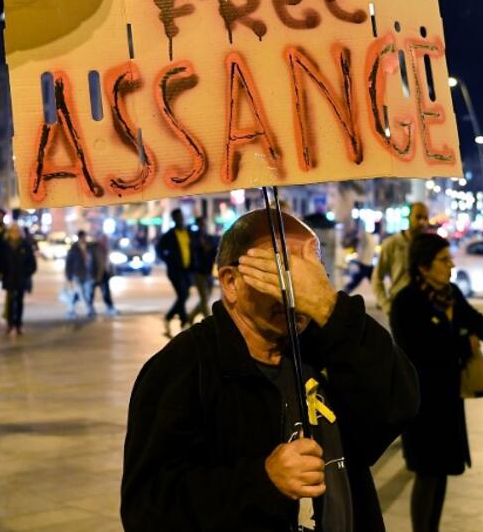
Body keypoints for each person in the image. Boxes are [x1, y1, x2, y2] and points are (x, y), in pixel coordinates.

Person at [121, 208, 419, 531]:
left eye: (310, 274)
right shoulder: (182, 368)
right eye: (278, 273)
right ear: (231, 282)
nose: (295, 292)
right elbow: (147, 510)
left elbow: (398, 405)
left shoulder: (324, 347)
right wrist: (263, 480)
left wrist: (329, 308)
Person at [390, 232, 483, 532]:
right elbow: (419, 351)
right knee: (427, 474)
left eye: (450, 258)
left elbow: (482, 326)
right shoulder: (406, 302)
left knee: (440, 474)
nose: (451, 265)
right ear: (423, 267)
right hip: (420, 404)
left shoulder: (451, 295)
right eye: (443, 260)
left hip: (448, 400)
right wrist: (464, 345)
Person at [374, 203, 430, 313]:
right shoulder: (391, 244)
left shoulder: (429, 245)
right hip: (400, 308)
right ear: (408, 217)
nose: (422, 222)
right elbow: (376, 278)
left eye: (425, 218)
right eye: (418, 217)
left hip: (425, 308)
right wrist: (386, 305)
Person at [156, 209, 195, 337]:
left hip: (187, 270)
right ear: (174, 219)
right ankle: (183, 322)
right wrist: (168, 260)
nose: (180, 219)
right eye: (177, 217)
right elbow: (159, 249)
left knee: (184, 295)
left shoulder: (187, 232)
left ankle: (171, 318)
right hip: (175, 271)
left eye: (181, 217)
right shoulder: (169, 235)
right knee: (183, 295)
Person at [1, 223, 37, 336]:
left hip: (21, 279)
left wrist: (26, 273)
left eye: (17, 230)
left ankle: (18, 325)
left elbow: (32, 264)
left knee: (20, 302)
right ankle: (10, 324)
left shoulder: (25, 244)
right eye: (13, 230)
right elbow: (0, 261)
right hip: (9, 278)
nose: (15, 232)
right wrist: (3, 272)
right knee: (10, 303)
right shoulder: (5, 244)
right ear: (10, 232)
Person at [63, 231, 98, 319]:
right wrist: (68, 275)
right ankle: (88, 310)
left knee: (85, 293)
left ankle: (71, 310)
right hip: (77, 274)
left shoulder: (89, 247)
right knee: (82, 292)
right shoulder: (74, 248)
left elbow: (94, 261)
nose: (83, 239)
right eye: (82, 237)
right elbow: (69, 262)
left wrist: (95, 273)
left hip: (88, 274)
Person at [188, 216, 216, 323]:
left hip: (208, 272)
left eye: (203, 224)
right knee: (204, 299)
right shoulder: (194, 238)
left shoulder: (209, 238)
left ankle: (190, 317)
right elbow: (194, 251)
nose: (202, 226)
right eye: (200, 224)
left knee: (207, 298)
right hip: (199, 272)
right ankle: (210, 322)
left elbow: (214, 250)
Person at [344, 221, 379, 293]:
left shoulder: (373, 237)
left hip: (367, 263)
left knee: (368, 279)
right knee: (359, 279)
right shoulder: (367, 236)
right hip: (365, 263)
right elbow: (360, 236)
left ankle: (347, 289)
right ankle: (347, 289)